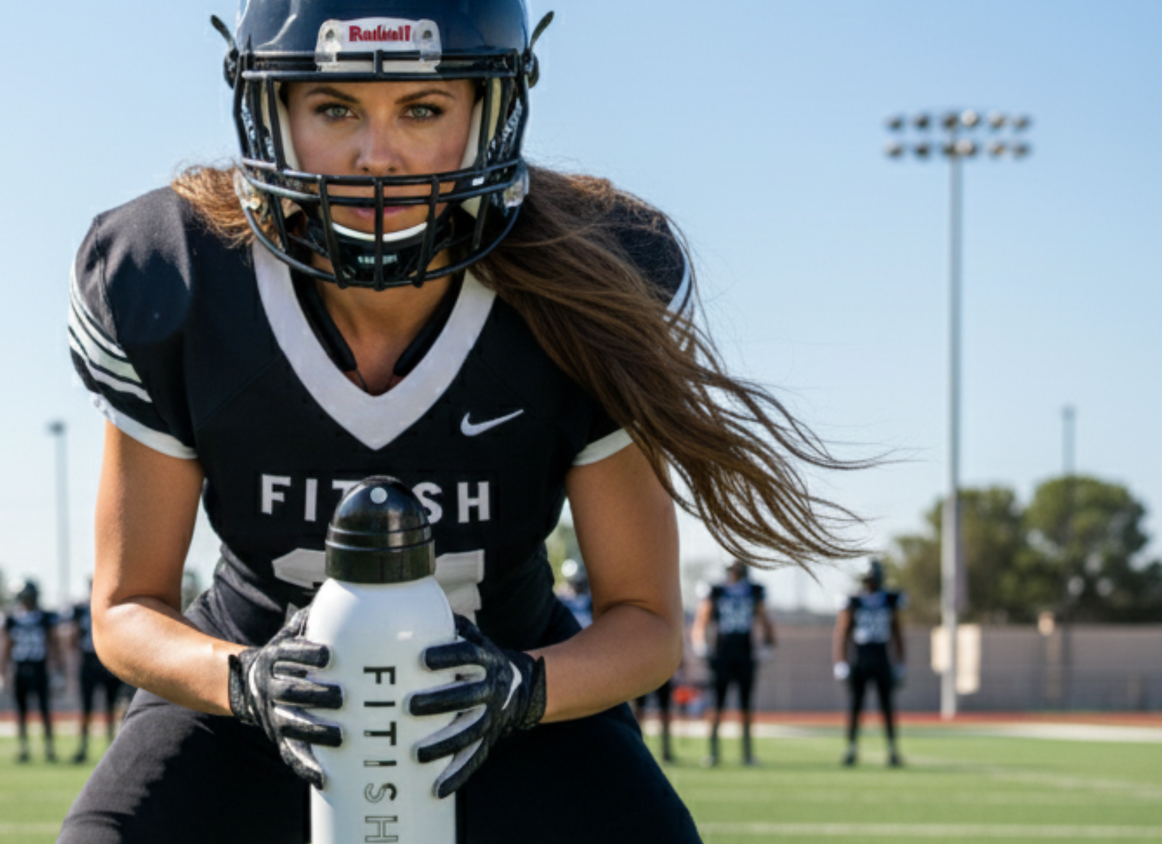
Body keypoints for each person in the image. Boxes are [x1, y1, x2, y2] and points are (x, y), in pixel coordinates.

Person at [59, 2, 862, 840]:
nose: (377, 156)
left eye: (423, 108)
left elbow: (648, 622)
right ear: (273, 115)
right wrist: (247, 681)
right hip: (254, 702)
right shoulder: (176, 276)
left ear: (488, 112)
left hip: (518, 703)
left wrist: (520, 691)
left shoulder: (596, 282)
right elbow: (125, 609)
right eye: (334, 108)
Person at [692, 560, 776, 766]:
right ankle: (713, 752)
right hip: (722, 653)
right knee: (717, 704)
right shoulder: (716, 590)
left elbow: (764, 618)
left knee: (746, 706)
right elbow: (702, 618)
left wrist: (768, 644)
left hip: (745, 653)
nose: (735, 574)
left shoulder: (754, 591)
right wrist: (700, 642)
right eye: (732, 570)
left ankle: (747, 754)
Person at [835, 559, 906, 767]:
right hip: (861, 655)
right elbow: (843, 632)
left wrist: (900, 662)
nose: (871, 583)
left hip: (881, 654)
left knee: (887, 707)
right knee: (856, 706)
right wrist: (841, 661)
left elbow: (897, 632)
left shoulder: (889, 599)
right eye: (868, 579)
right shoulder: (854, 600)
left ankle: (892, 750)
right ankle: (851, 749)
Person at [0, 579, 65, 763]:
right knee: (21, 712)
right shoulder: (11, 619)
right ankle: (24, 749)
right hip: (20, 668)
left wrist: (59, 671)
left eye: (30, 597)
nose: (27, 601)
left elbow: (54, 644)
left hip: (40, 668)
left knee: (45, 711)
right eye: (24, 597)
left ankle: (49, 749)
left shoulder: (45, 618)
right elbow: (5, 647)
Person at [67, 578, 125, 764]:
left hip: (109, 659)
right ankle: (83, 747)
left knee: (110, 707)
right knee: (86, 708)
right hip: (90, 659)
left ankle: (111, 747)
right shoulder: (80, 608)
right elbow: (73, 636)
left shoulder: (115, 603)